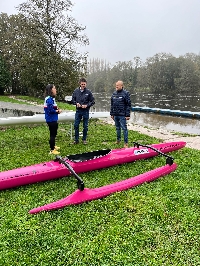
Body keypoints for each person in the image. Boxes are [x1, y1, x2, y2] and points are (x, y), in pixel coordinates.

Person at [72, 78, 95, 144]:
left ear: (86, 84)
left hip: (85, 111)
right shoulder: (76, 91)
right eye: (82, 84)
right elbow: (72, 100)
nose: (83, 85)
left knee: (85, 126)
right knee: (76, 125)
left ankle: (84, 139)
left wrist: (87, 105)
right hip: (78, 111)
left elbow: (92, 101)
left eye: (84, 84)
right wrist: (76, 103)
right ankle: (76, 140)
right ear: (80, 84)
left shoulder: (88, 92)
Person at [110, 80, 131, 148]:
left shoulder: (126, 93)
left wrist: (127, 115)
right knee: (117, 128)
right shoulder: (114, 93)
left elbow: (128, 105)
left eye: (118, 85)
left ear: (121, 86)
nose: (116, 86)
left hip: (122, 115)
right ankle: (118, 140)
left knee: (124, 128)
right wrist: (112, 114)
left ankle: (126, 143)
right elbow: (112, 104)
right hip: (115, 114)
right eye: (116, 85)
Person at [44, 84, 62, 154]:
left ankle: (53, 146)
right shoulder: (49, 99)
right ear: (51, 90)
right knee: (52, 134)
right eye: (54, 88)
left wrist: (57, 109)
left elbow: (54, 107)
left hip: (53, 119)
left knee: (54, 133)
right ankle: (52, 150)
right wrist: (57, 111)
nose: (55, 89)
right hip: (51, 119)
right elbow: (50, 110)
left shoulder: (51, 99)